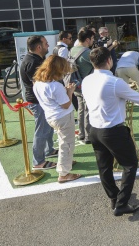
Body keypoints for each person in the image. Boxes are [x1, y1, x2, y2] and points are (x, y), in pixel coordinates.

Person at [82, 47, 139, 216]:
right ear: (110, 61)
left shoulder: (86, 80)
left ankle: (114, 197)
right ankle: (122, 203)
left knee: (104, 167)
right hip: (113, 131)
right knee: (129, 164)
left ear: (92, 62)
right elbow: (137, 97)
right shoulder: (114, 82)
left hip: (94, 129)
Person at [33, 55, 82, 183]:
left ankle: (64, 164)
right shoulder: (55, 86)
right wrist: (70, 91)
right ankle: (64, 173)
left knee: (63, 142)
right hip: (63, 117)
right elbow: (66, 105)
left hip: (51, 116)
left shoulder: (37, 83)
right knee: (67, 144)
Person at [19, 35, 57, 170]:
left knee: (48, 127)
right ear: (39, 47)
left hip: (41, 100)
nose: (48, 46)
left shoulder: (37, 59)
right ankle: (38, 161)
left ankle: (49, 150)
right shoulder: (32, 62)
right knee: (41, 130)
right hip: (37, 101)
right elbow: (40, 84)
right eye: (46, 44)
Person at [70, 28, 95, 144]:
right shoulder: (86, 52)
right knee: (87, 110)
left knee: (81, 110)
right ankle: (88, 135)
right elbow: (99, 63)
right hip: (87, 84)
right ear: (87, 39)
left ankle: (81, 133)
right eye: (92, 38)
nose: (93, 41)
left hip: (76, 83)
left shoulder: (72, 50)